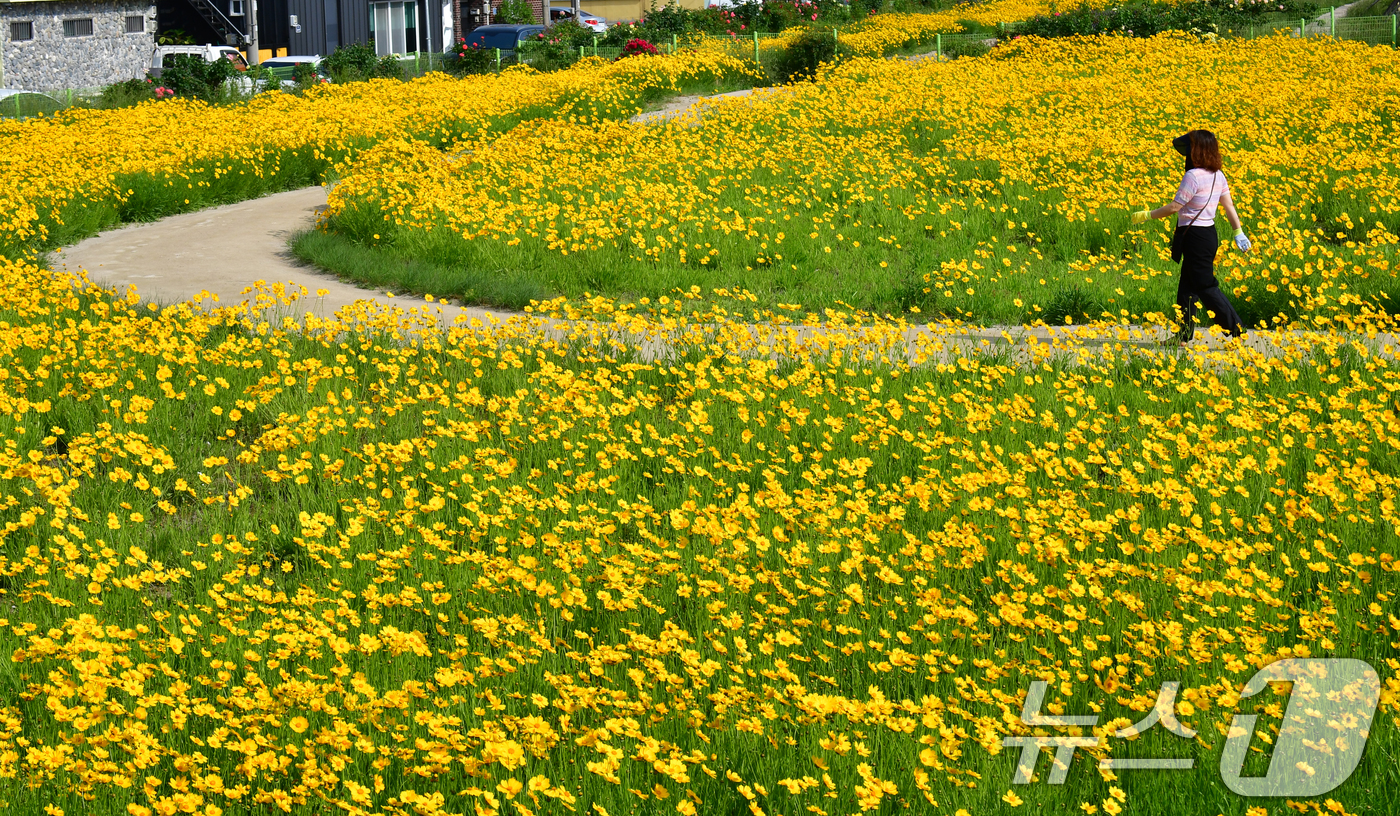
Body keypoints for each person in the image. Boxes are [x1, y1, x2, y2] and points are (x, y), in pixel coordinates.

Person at [1132, 130, 1250, 343]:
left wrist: (1147, 215)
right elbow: (1229, 206)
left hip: (1194, 237)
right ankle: (1184, 335)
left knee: (1206, 286)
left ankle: (1236, 330)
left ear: (1196, 151)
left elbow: (1175, 206)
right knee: (1187, 289)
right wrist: (1237, 231)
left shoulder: (1193, 176)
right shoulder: (1218, 175)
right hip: (1208, 235)